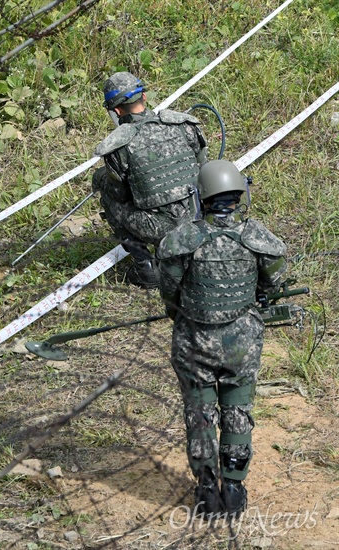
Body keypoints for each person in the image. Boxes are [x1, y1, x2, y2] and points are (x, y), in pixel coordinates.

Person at [157, 160, 287, 517]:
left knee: (199, 412)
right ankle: (233, 488)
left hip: (194, 341)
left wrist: (183, 312)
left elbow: (169, 290)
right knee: (238, 409)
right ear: (239, 194)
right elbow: (274, 280)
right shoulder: (257, 236)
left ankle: (205, 490)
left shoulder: (184, 239)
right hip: (242, 343)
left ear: (202, 196)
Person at [93, 71, 207, 289]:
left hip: (160, 228)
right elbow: (206, 169)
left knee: (110, 200)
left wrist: (101, 178)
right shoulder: (183, 125)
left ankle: (146, 268)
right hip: (199, 218)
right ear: (144, 97)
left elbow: (121, 195)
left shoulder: (119, 145)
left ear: (116, 111)